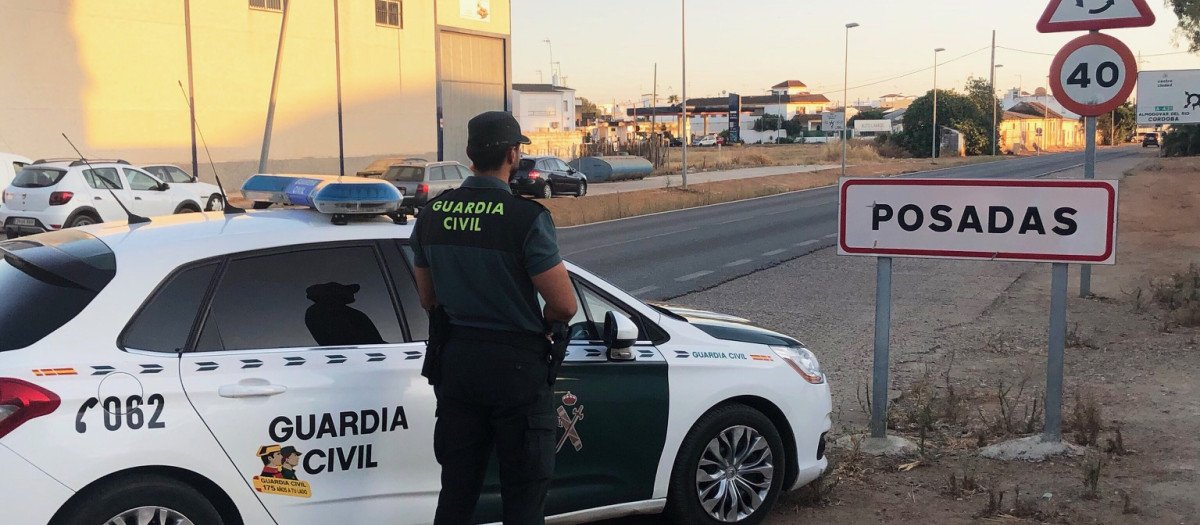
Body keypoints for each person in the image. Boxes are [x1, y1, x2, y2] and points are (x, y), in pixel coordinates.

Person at [410, 110, 577, 525]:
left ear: (469, 154)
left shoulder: (431, 214)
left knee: (457, 492)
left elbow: (428, 298)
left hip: (457, 365)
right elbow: (565, 306)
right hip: (516, 371)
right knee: (523, 497)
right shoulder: (527, 218)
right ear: (513, 154)